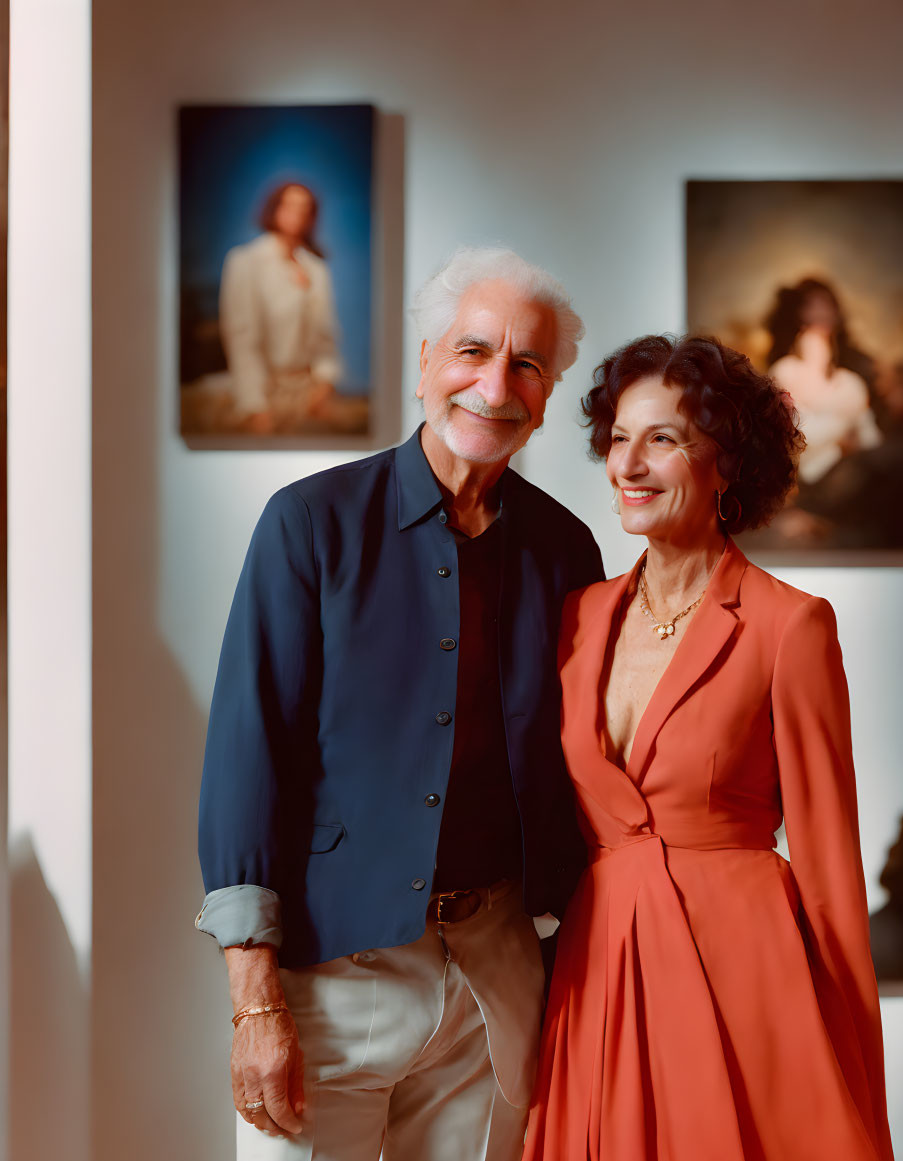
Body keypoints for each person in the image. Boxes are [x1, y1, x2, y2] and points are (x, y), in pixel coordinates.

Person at [196, 246, 604, 1161]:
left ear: (546, 395)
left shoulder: (566, 550)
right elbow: (247, 754)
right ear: (425, 363)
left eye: (526, 364)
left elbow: (575, 762)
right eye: (471, 351)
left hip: (496, 980)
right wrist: (255, 1001)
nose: (494, 385)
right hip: (331, 978)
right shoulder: (308, 523)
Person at [524, 334, 894, 1161]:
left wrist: (855, 1077)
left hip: (744, 973)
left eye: (663, 438)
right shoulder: (577, 617)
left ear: (725, 464)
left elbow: (831, 874)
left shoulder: (788, 625)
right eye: (618, 437)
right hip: (600, 969)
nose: (630, 462)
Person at [218, 181, 347, 434]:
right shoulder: (246, 262)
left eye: (304, 208)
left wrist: (324, 384)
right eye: (289, 206)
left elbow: (326, 337)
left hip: (307, 393)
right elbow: (242, 340)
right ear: (274, 209)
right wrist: (255, 405)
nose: (296, 214)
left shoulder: (317, 269)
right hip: (262, 393)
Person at [765, 278, 882, 484]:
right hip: (809, 475)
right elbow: (791, 435)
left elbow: (869, 436)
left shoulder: (850, 380)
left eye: (826, 305)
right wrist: (839, 441)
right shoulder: (785, 371)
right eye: (812, 306)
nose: (821, 313)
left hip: (856, 472)